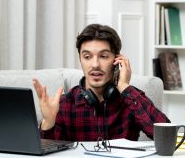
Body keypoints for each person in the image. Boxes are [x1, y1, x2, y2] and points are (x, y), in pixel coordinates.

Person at [33, 24, 170, 141]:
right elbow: (47, 153)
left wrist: (124, 87)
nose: (95, 64)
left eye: (104, 56)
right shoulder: (64, 104)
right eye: (87, 57)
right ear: (80, 59)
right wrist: (48, 122)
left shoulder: (131, 99)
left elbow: (168, 138)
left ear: (117, 60)